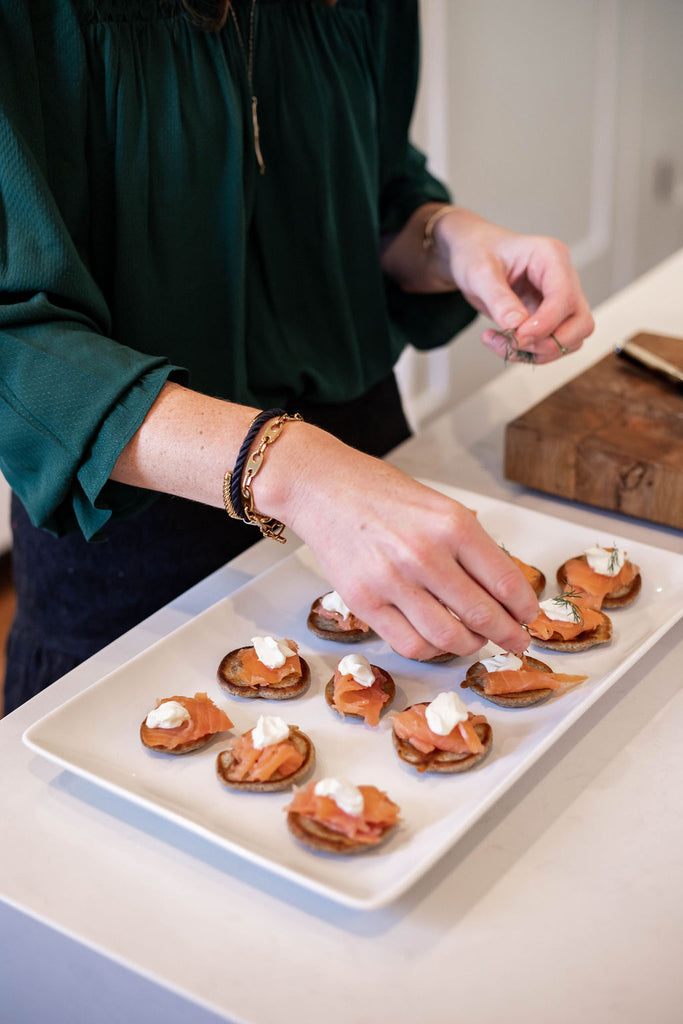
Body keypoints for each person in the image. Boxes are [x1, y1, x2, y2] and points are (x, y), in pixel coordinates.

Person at [0, 0, 593, 716]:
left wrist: (447, 238)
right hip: (132, 529)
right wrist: (299, 474)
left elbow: (374, 191)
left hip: (374, 474)